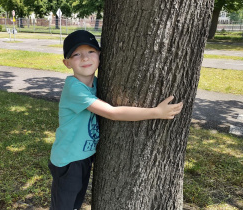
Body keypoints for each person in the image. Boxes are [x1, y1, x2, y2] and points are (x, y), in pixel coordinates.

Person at [48, 30, 183, 210]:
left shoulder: (95, 82)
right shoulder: (74, 89)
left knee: (75, 204)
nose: (85, 58)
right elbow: (112, 113)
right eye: (76, 54)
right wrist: (156, 112)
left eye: (91, 52)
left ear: (100, 55)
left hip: (84, 157)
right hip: (68, 160)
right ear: (67, 63)